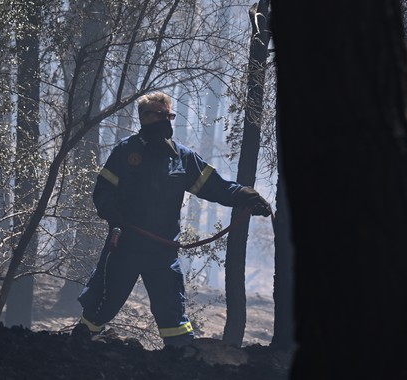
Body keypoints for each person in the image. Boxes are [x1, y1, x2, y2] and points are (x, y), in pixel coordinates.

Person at [75, 91, 272, 347]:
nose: (159, 120)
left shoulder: (183, 158)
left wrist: (246, 195)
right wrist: (109, 210)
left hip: (163, 252)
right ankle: (79, 345)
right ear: (142, 118)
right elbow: (103, 189)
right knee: (102, 303)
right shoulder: (126, 151)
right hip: (125, 245)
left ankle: (180, 360)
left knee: (173, 316)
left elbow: (216, 187)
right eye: (152, 115)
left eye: (165, 115)